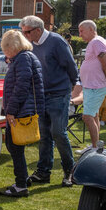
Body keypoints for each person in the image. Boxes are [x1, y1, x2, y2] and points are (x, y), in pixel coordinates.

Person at [20, 15, 78, 187]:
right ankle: (43, 172)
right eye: (23, 32)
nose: (25, 35)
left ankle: (70, 171)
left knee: (58, 132)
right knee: (44, 134)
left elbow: (71, 66)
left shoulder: (56, 41)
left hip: (59, 93)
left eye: (27, 32)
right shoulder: (31, 44)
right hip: (42, 94)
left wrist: (70, 87)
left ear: (38, 30)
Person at [0, 30, 45, 197]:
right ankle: (23, 178)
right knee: (14, 145)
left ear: (13, 46)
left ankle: (20, 184)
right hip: (26, 107)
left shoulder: (23, 59)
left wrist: (10, 110)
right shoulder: (25, 57)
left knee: (14, 145)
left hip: (21, 109)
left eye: (6, 48)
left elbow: (21, 87)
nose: (5, 52)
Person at [78, 20, 106, 151]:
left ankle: (94, 148)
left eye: (82, 31)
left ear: (91, 30)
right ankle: (96, 146)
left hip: (95, 86)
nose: (80, 34)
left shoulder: (96, 42)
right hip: (91, 86)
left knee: (87, 117)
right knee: (94, 116)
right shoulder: (94, 42)